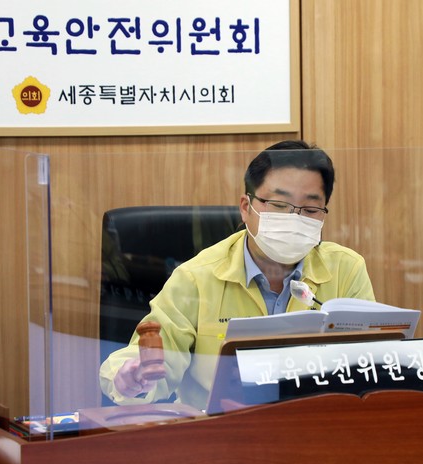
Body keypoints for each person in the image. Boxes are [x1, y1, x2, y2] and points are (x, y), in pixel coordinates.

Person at [99, 140, 375, 409]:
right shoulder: (196, 276)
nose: (293, 218)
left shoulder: (346, 269)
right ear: (246, 207)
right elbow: (152, 357)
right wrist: (131, 377)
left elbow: (373, 360)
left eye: (310, 209)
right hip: (220, 430)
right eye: (279, 205)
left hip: (316, 425)